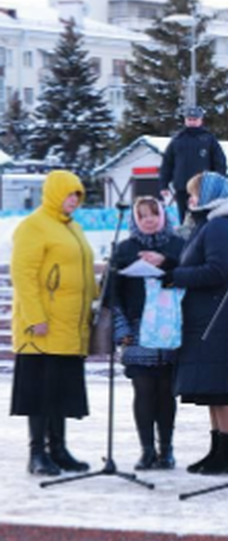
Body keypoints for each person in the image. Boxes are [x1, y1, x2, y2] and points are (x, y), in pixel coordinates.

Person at [11, 170, 95, 477]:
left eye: (78, 195)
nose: (74, 200)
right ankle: (37, 454)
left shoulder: (72, 228)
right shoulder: (34, 227)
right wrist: (35, 318)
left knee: (59, 391)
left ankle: (58, 450)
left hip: (69, 326)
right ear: (54, 192)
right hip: (42, 328)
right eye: (69, 194)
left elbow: (82, 272)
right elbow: (23, 275)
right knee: (39, 393)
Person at [171, 172, 228, 475]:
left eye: (194, 194)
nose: (189, 200)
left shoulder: (220, 227)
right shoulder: (209, 225)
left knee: (224, 389)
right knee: (214, 389)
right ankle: (218, 448)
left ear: (208, 196)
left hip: (220, 319)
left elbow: (218, 271)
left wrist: (176, 276)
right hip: (209, 316)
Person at [111, 196, 185, 470]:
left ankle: (166, 450)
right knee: (142, 389)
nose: (149, 220)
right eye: (143, 216)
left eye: (154, 214)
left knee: (166, 391)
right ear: (136, 220)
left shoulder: (178, 245)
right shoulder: (125, 248)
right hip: (137, 327)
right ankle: (146, 450)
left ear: (162, 215)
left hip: (169, 326)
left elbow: (189, 275)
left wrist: (165, 262)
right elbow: (112, 292)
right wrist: (121, 329)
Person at [160, 106, 227, 224]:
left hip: (203, 188)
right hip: (182, 187)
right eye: (189, 119)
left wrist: (218, 182)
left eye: (194, 119)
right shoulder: (177, 140)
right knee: (184, 219)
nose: (192, 122)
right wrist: (164, 185)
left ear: (201, 120)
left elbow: (220, 163)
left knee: (203, 218)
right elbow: (167, 163)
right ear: (185, 121)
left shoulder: (208, 139)